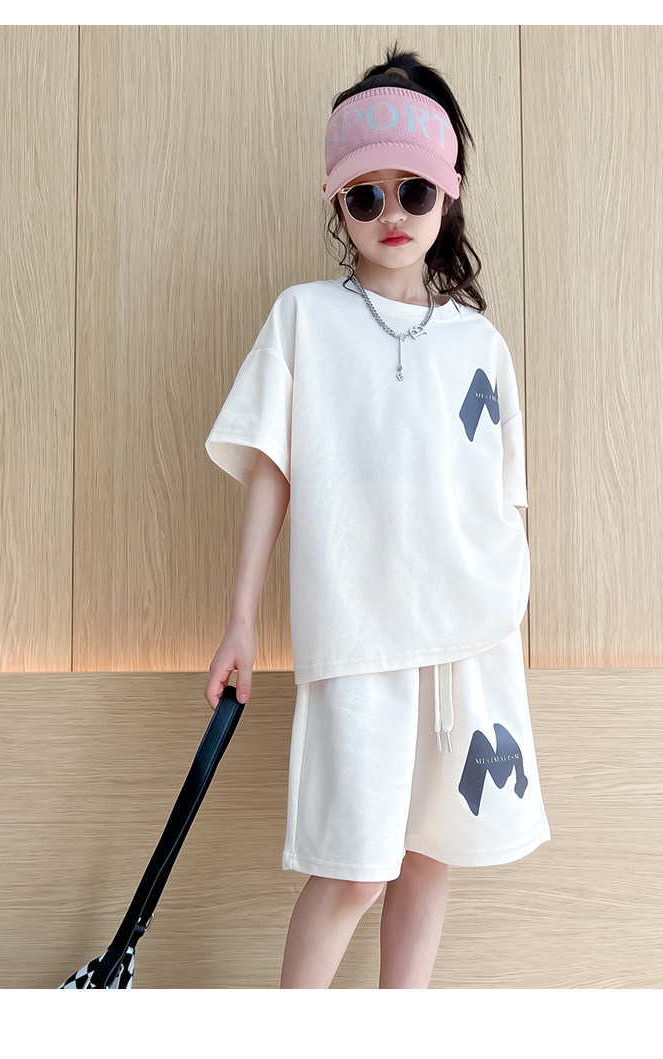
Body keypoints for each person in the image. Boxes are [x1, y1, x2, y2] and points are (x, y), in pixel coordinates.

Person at [203, 44, 551, 989]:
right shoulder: (306, 320)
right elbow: (271, 470)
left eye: (414, 191)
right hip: (358, 636)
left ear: (449, 194)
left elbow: (506, 493)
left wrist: (504, 601)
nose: (392, 214)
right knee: (355, 866)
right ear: (337, 202)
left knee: (432, 857)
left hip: (466, 641)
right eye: (366, 196)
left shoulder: (479, 345)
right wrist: (241, 620)